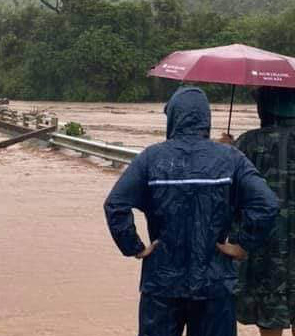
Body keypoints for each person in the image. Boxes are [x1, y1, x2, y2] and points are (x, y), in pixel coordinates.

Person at [104, 86, 279, 336]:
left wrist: (134, 246)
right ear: (206, 118)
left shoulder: (151, 158)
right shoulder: (231, 158)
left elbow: (115, 204)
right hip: (215, 283)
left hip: (162, 283)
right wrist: (243, 245)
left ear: (174, 117)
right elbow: (267, 203)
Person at [235, 86, 295, 336]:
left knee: (270, 317)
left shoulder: (248, 142)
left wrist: (226, 149)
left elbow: (229, 195)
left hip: (264, 252)